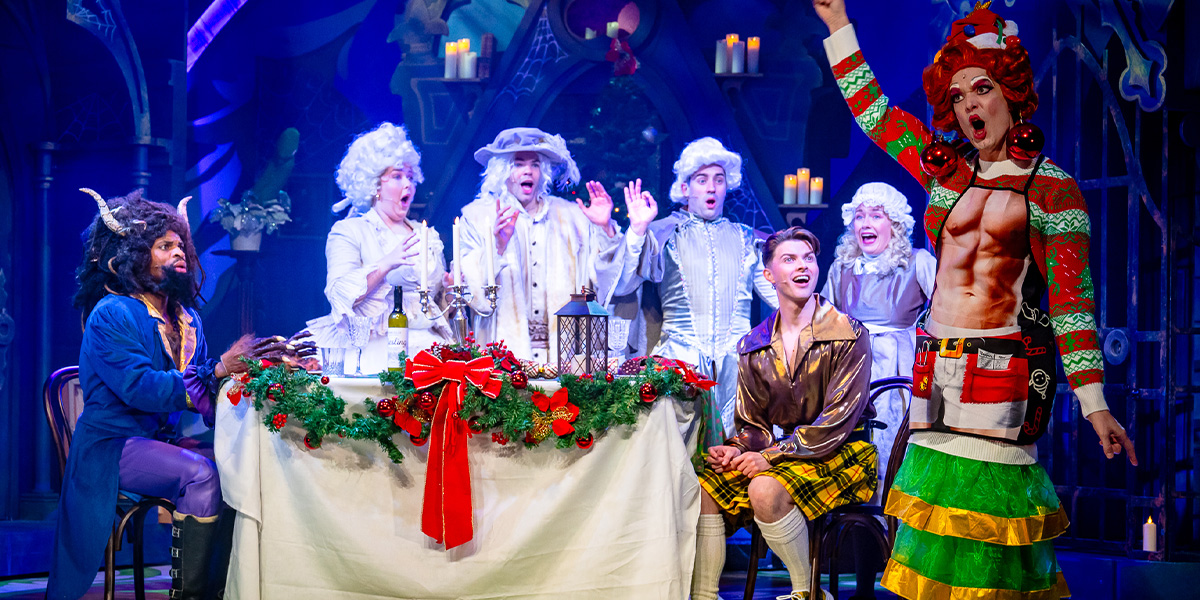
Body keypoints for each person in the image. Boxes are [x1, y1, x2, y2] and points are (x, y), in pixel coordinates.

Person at [814, 1, 1137, 597]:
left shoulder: (1051, 186)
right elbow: (876, 117)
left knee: (988, 533)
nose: (968, 107)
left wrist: (1094, 402)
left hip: (1002, 369)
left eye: (981, 89)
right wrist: (839, 28)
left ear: (1012, 92)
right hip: (935, 367)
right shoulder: (946, 172)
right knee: (933, 530)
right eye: (957, 97)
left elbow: (1072, 302)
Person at [48, 190, 306, 600]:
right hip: (110, 446)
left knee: (242, 463)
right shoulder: (113, 312)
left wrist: (259, 375)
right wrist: (219, 369)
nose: (180, 252)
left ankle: (231, 587)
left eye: (182, 245)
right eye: (165, 245)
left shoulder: (188, 321)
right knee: (200, 472)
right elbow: (142, 388)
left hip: (158, 443)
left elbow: (203, 396)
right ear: (135, 255)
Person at [691, 226, 877, 600]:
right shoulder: (754, 344)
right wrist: (738, 448)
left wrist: (768, 456)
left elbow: (836, 422)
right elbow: (753, 424)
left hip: (844, 451)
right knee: (701, 489)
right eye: (789, 259)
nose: (802, 266)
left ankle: (806, 592)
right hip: (786, 454)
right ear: (769, 275)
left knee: (764, 487)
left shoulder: (847, 334)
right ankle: (704, 596)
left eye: (808, 258)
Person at [611, 137, 778, 436]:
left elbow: (779, 298)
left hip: (739, 369)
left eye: (719, 180)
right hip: (680, 364)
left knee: (738, 456)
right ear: (685, 188)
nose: (711, 187)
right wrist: (637, 230)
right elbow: (624, 282)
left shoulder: (745, 239)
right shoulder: (665, 233)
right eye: (702, 180)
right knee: (680, 456)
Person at [457, 127, 625, 362]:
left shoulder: (571, 217)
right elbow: (474, 297)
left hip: (565, 356)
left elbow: (606, 279)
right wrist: (498, 247)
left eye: (535, 164)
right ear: (502, 171)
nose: (528, 170)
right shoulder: (478, 217)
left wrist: (605, 229)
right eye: (518, 163)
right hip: (503, 355)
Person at [307, 122, 453, 372]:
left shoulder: (427, 235)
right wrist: (386, 263)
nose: (408, 184)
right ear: (375, 185)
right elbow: (340, 295)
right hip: (376, 350)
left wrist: (450, 290)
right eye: (397, 176)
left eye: (410, 176)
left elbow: (437, 306)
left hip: (429, 349)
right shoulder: (350, 231)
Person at [823, 182, 935, 487]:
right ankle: (854, 524)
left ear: (895, 224)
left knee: (894, 442)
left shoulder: (917, 262)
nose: (865, 223)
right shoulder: (842, 268)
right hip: (852, 369)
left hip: (899, 372)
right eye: (859, 216)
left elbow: (945, 308)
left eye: (875, 216)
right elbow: (820, 322)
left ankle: (892, 523)